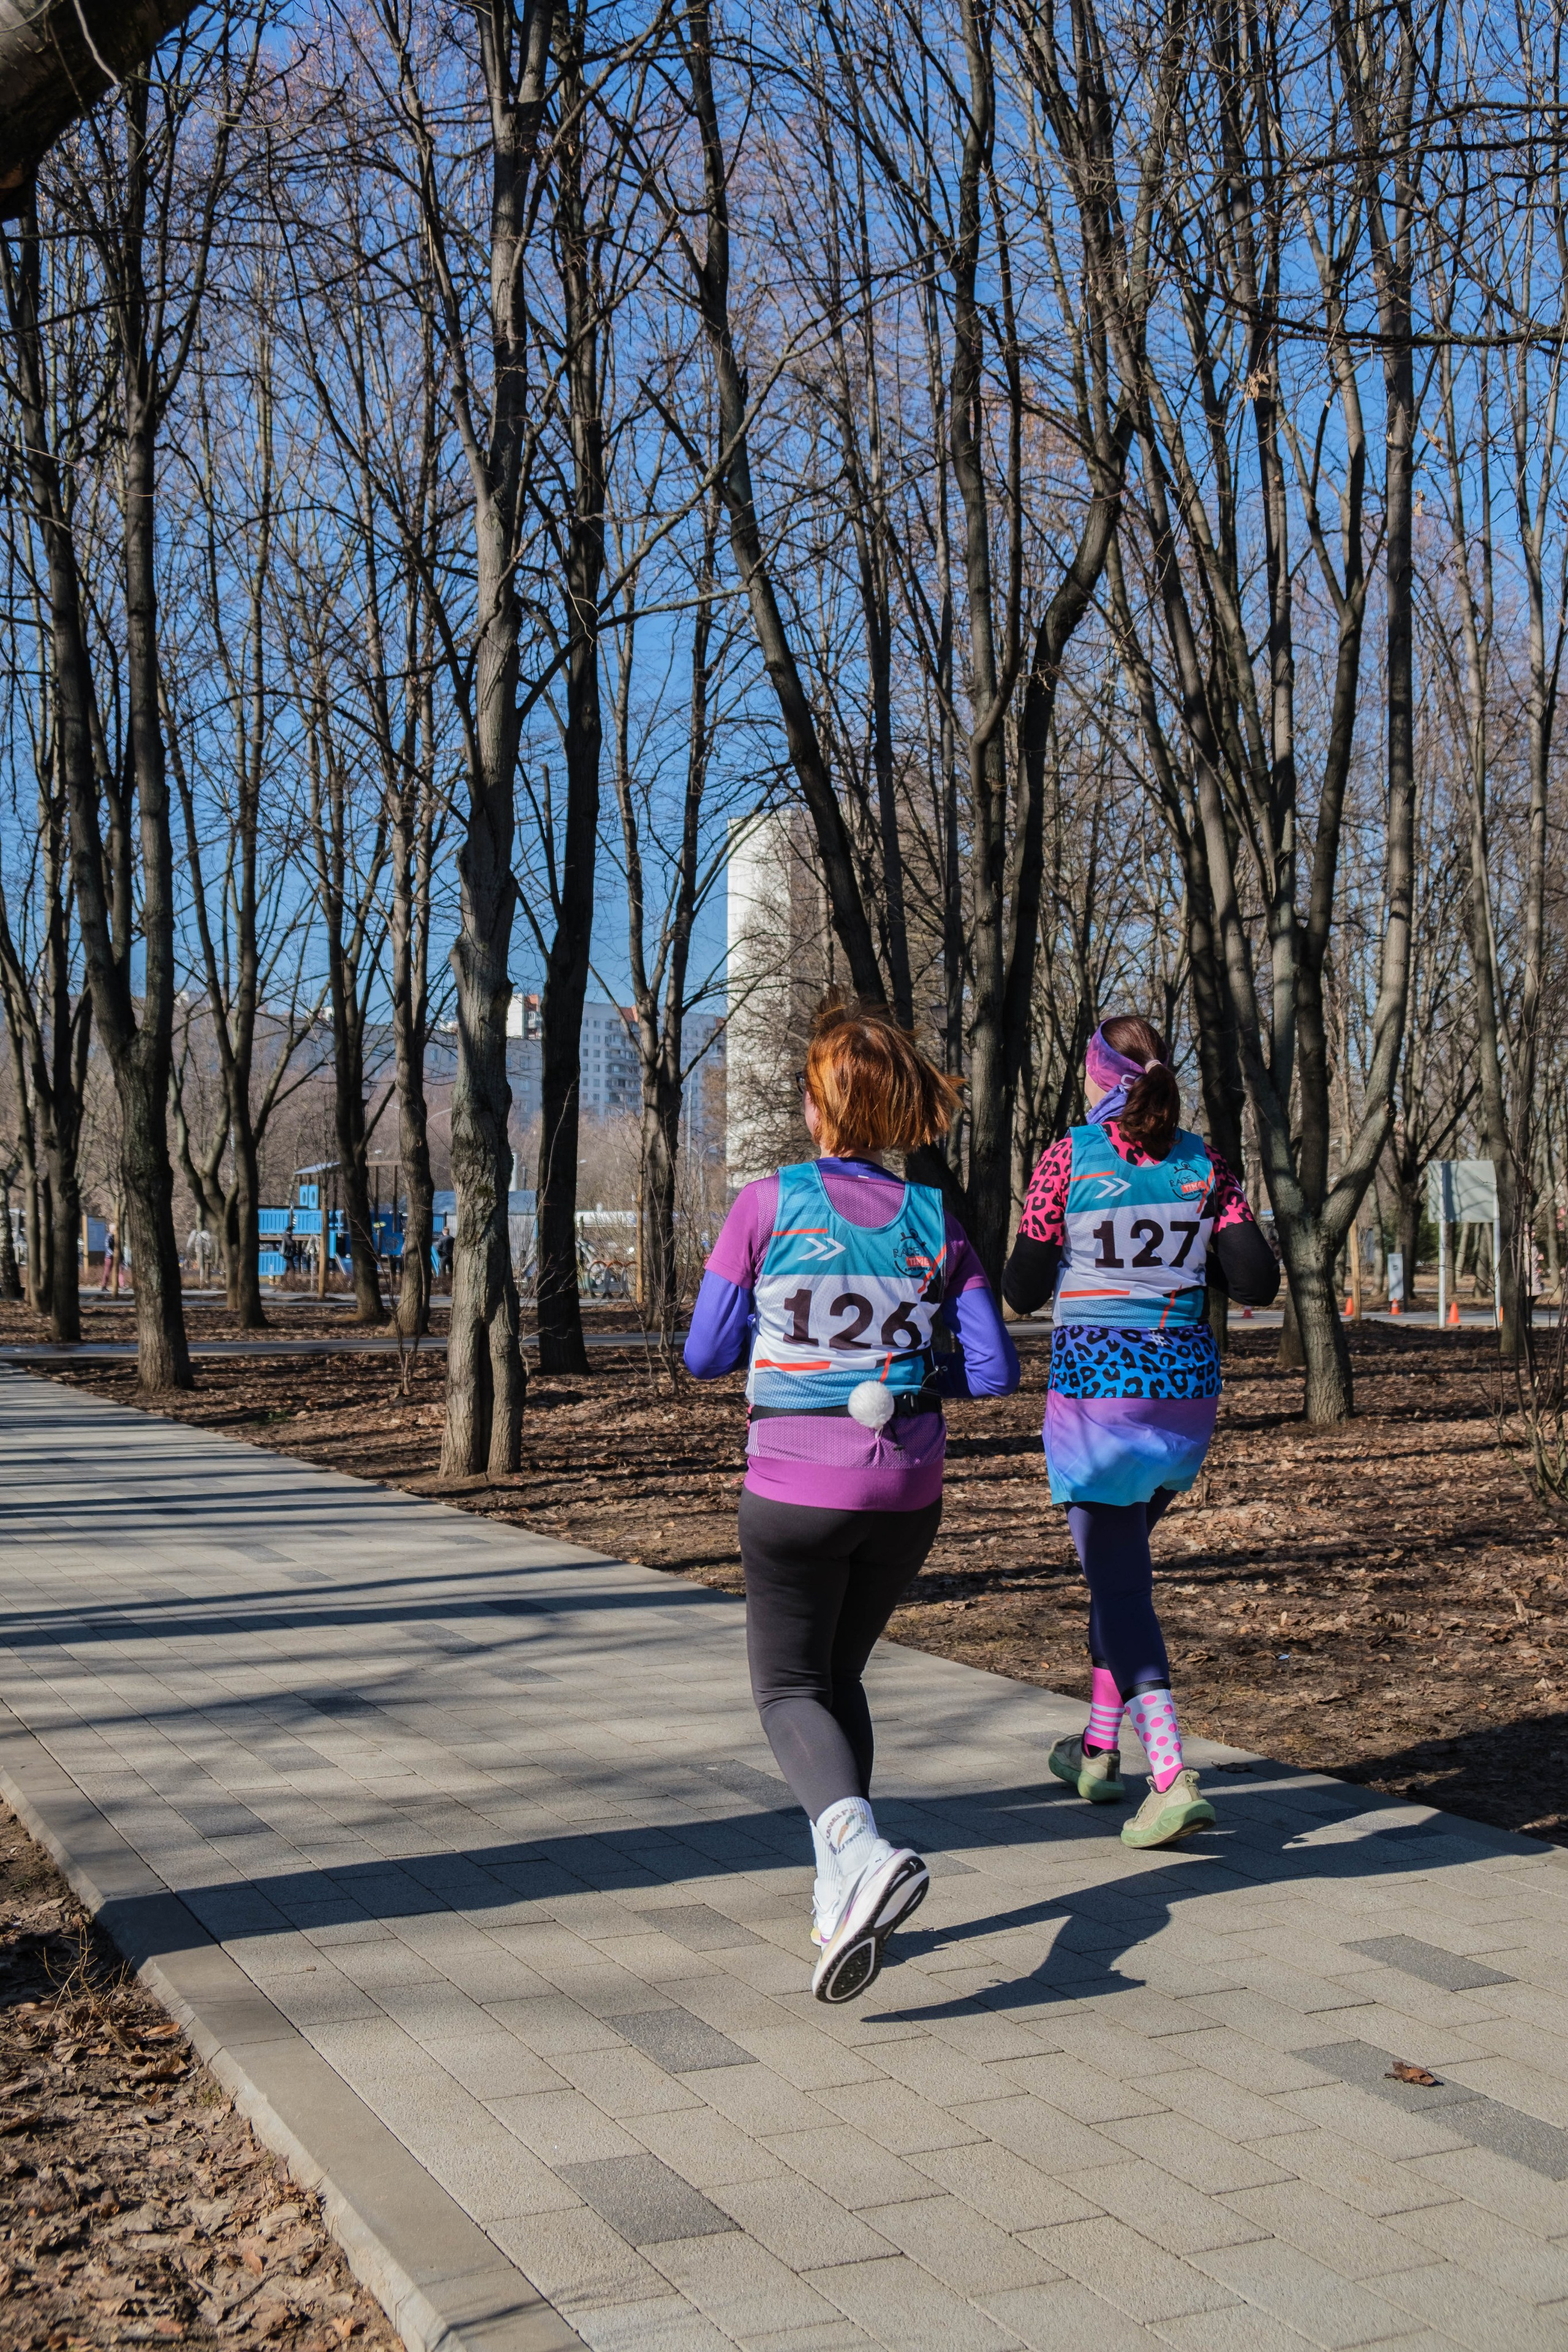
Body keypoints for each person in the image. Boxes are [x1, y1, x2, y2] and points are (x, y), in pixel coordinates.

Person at [685, 997, 1020, 2003]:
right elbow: (996, 1372)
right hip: (906, 1487)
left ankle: (858, 1850)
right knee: (841, 1676)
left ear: (822, 1110)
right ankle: (841, 1893)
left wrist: (791, 1348)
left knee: (788, 1689)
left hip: (792, 1482)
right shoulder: (938, 1222)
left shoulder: (765, 1205)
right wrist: (913, 1379)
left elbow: (704, 1355)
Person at [1002, 1016, 1280, 1849]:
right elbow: (1258, 1280)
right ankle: (1095, 1748)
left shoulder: (1069, 1158)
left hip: (1097, 1402)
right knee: (1115, 1570)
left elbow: (1020, 1288)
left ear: (1099, 1080)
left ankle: (1168, 1775)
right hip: (1183, 1402)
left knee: (1121, 1587)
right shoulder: (1204, 1163)